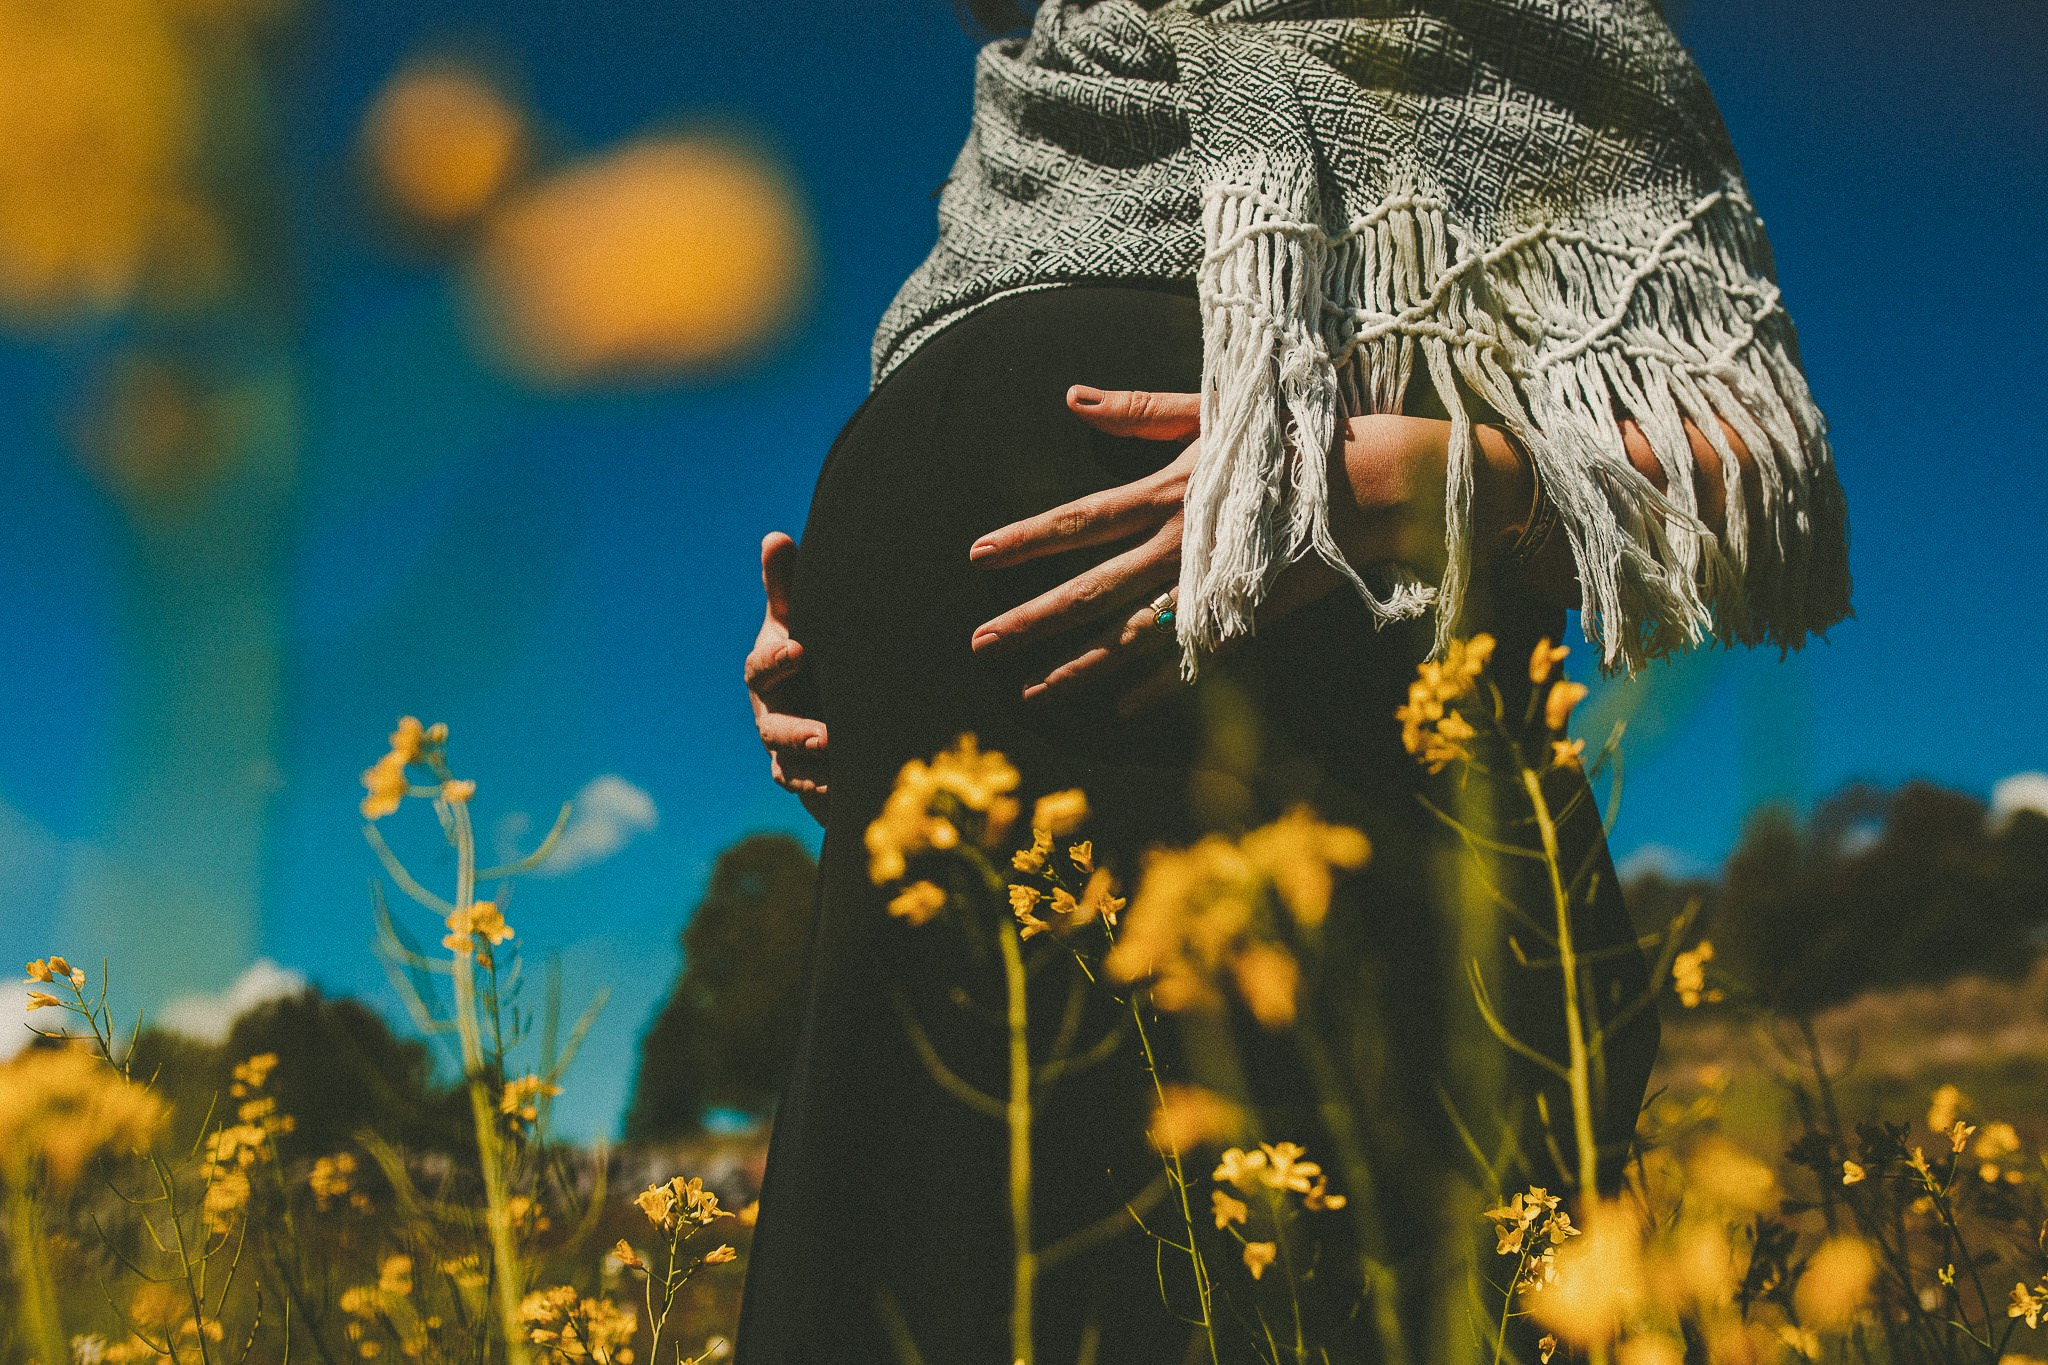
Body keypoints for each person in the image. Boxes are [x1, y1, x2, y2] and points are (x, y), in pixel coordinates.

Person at [734, 2, 1850, 1361]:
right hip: (937, 932)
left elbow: (1762, 485)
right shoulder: (1008, 150)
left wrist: (1408, 482)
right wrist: (854, 645)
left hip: (1315, 871)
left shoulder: (1499, 42)